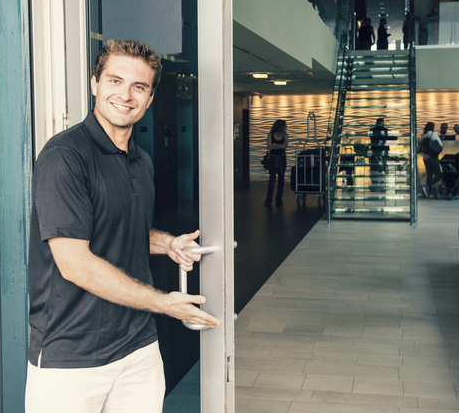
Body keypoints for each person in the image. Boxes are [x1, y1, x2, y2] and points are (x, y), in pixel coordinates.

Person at [25, 39, 221, 413]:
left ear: (149, 99)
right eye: (115, 81)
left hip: (137, 348)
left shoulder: (140, 160)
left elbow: (123, 229)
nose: (126, 95)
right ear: (95, 83)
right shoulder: (64, 156)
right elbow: (74, 263)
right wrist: (164, 303)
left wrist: (167, 244)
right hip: (71, 356)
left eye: (139, 87)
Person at [264, 119, 289, 205]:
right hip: (273, 159)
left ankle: (278, 199)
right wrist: (280, 146)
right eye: (285, 125)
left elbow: (285, 146)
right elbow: (269, 146)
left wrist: (275, 145)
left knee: (281, 179)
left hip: (281, 159)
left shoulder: (284, 135)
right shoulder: (271, 134)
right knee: (272, 179)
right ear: (281, 126)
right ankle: (269, 199)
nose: (286, 127)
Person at [419, 122, 443, 198]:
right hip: (433, 156)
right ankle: (426, 187)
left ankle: (428, 192)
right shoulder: (433, 134)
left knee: (430, 174)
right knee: (438, 175)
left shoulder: (423, 135)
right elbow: (440, 144)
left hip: (425, 157)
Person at [369, 118, 395, 184]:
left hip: (375, 152)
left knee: (374, 167)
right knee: (383, 168)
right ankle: (382, 181)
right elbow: (393, 138)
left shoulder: (372, 130)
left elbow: (372, 137)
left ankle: (375, 182)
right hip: (383, 153)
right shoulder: (386, 131)